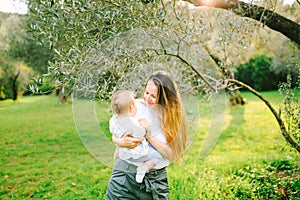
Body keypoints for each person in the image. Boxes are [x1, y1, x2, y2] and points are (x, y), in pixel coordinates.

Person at [106, 71, 187, 200]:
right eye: (146, 92)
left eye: (153, 96)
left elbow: (173, 155)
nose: (147, 98)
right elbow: (115, 127)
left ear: (165, 98)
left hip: (153, 179)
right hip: (124, 173)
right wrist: (120, 141)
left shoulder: (173, 120)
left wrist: (149, 137)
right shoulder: (135, 106)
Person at [109, 89, 163, 183]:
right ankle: (143, 169)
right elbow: (141, 135)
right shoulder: (133, 123)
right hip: (138, 152)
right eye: (146, 93)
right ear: (131, 108)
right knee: (157, 156)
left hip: (123, 153)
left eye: (153, 96)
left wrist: (118, 140)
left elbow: (114, 133)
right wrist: (147, 127)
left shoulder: (114, 120)